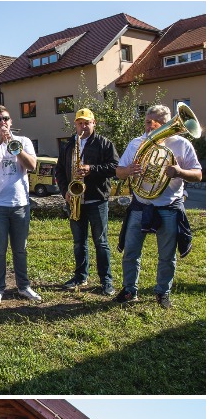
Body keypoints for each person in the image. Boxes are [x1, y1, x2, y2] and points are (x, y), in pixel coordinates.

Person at [115, 104, 203, 307]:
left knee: (167, 256)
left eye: (155, 123)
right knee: (131, 252)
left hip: (168, 207)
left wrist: (179, 172)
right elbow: (119, 172)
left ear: (167, 124)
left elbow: (198, 174)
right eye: (147, 122)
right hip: (140, 205)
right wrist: (129, 170)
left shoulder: (181, 144)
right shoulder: (136, 143)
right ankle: (129, 290)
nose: (150, 127)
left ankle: (163, 292)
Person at [0, 106, 40, 305]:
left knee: (20, 249)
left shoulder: (24, 141)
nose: (3, 122)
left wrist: (13, 144)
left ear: (11, 121)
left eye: (5, 118)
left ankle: (23, 286)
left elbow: (32, 166)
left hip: (20, 203)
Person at [56, 108, 118, 295]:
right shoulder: (68, 145)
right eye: (80, 123)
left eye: (87, 123)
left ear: (94, 123)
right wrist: (65, 190)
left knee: (101, 242)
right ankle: (80, 276)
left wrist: (91, 169)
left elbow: (115, 167)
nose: (83, 126)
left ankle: (106, 280)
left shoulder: (104, 143)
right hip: (74, 200)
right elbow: (59, 170)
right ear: (75, 124)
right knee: (78, 242)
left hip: (97, 199)